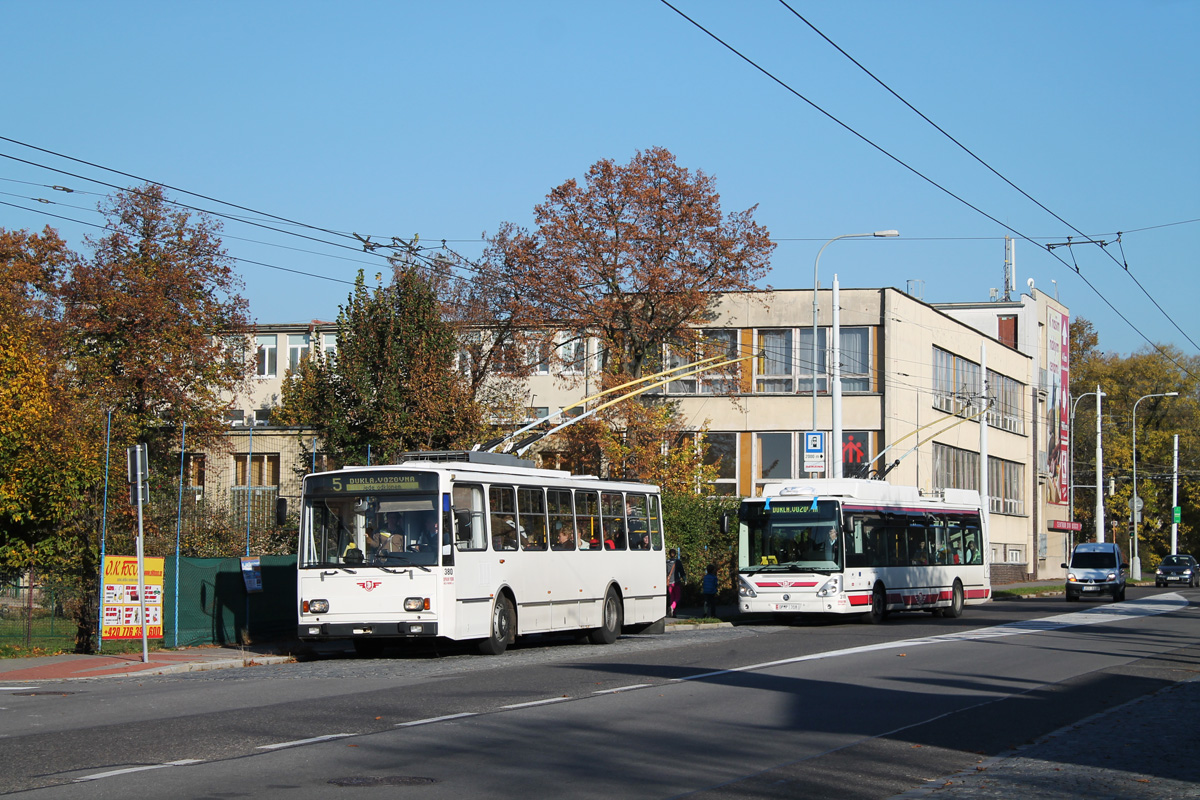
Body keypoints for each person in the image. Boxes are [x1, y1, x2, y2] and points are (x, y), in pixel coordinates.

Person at [666, 548, 685, 617]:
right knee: (677, 597)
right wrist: (684, 579)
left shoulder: (666, 562)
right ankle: (672, 607)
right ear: (675, 554)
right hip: (676, 582)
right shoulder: (678, 562)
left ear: (669, 554)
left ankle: (673, 613)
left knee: (672, 597)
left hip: (669, 583)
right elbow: (682, 571)